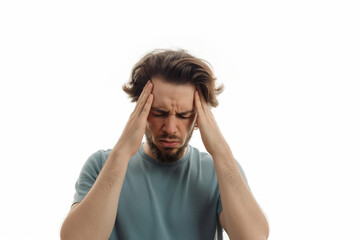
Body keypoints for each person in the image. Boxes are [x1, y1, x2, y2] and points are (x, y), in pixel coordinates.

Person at [60, 49, 269, 240]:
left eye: (183, 115)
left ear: (198, 116)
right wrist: (122, 152)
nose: (170, 128)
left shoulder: (219, 170)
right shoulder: (101, 164)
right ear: (141, 109)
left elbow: (253, 237)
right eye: (159, 113)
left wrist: (220, 151)